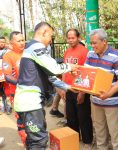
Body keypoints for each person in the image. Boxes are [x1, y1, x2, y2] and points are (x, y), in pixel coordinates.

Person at [14, 22, 77, 150]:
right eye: (51, 37)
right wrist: (70, 67)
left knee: (33, 140)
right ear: (44, 32)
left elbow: (49, 76)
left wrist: (67, 87)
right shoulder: (36, 47)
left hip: (26, 103)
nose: (50, 41)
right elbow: (53, 68)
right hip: (30, 104)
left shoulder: (30, 48)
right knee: (39, 141)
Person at [85, 28, 118, 150]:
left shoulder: (117, 56)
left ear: (104, 41)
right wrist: (79, 87)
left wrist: (108, 94)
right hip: (96, 101)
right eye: (91, 43)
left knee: (115, 136)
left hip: (112, 102)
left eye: (95, 43)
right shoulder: (90, 54)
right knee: (100, 133)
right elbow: (86, 73)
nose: (92, 46)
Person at [63, 28, 93, 149]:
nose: (70, 40)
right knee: (71, 116)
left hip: (80, 89)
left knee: (83, 116)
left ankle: (88, 141)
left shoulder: (85, 51)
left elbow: (86, 72)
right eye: (69, 38)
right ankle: (74, 138)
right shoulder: (67, 51)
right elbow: (65, 70)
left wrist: (82, 92)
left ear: (78, 37)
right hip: (69, 89)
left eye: (73, 38)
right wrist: (63, 87)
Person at [2, 31, 26, 145]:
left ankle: (36, 141)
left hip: (32, 93)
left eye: (23, 40)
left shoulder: (28, 53)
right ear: (12, 42)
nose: (22, 43)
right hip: (16, 93)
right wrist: (22, 82)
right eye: (19, 41)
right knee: (22, 120)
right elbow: (7, 76)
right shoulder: (8, 56)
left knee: (34, 118)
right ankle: (26, 143)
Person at [0, 36, 9, 114]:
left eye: (3, 42)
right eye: (0, 42)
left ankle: (8, 106)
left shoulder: (7, 51)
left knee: (6, 89)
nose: (2, 43)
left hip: (6, 73)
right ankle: (1, 106)